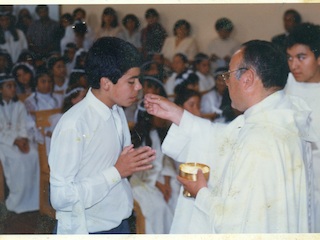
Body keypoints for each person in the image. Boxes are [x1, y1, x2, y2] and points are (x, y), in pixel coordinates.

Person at [144, 40, 315, 233]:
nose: (226, 83)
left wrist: (200, 193)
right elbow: (222, 137)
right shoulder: (282, 117)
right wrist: (177, 115)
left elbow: (236, 224)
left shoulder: (259, 139)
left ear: (247, 78)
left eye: (228, 75)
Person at [48, 37, 156, 234]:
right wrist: (117, 171)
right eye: (131, 81)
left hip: (119, 221)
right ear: (106, 83)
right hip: (88, 229)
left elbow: (113, 167)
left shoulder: (117, 111)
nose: (139, 87)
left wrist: (130, 163)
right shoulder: (75, 124)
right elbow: (60, 197)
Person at [130, 76, 179, 234]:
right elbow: (138, 171)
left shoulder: (158, 134)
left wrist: (166, 182)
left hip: (159, 176)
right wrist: (159, 185)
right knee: (157, 208)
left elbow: (165, 162)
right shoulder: (138, 139)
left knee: (177, 195)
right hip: (142, 181)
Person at [285, 22, 320, 233]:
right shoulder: (288, 83)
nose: (293, 65)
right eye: (289, 58)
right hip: (293, 182)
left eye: (301, 57)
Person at [0, 74, 40, 214]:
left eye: (14, 86)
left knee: (34, 154)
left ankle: (33, 200)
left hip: (21, 140)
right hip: (4, 142)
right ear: (1, 89)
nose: (13, 89)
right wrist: (15, 141)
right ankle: (17, 201)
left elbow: (25, 124)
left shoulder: (19, 105)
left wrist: (24, 139)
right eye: (8, 86)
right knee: (18, 160)